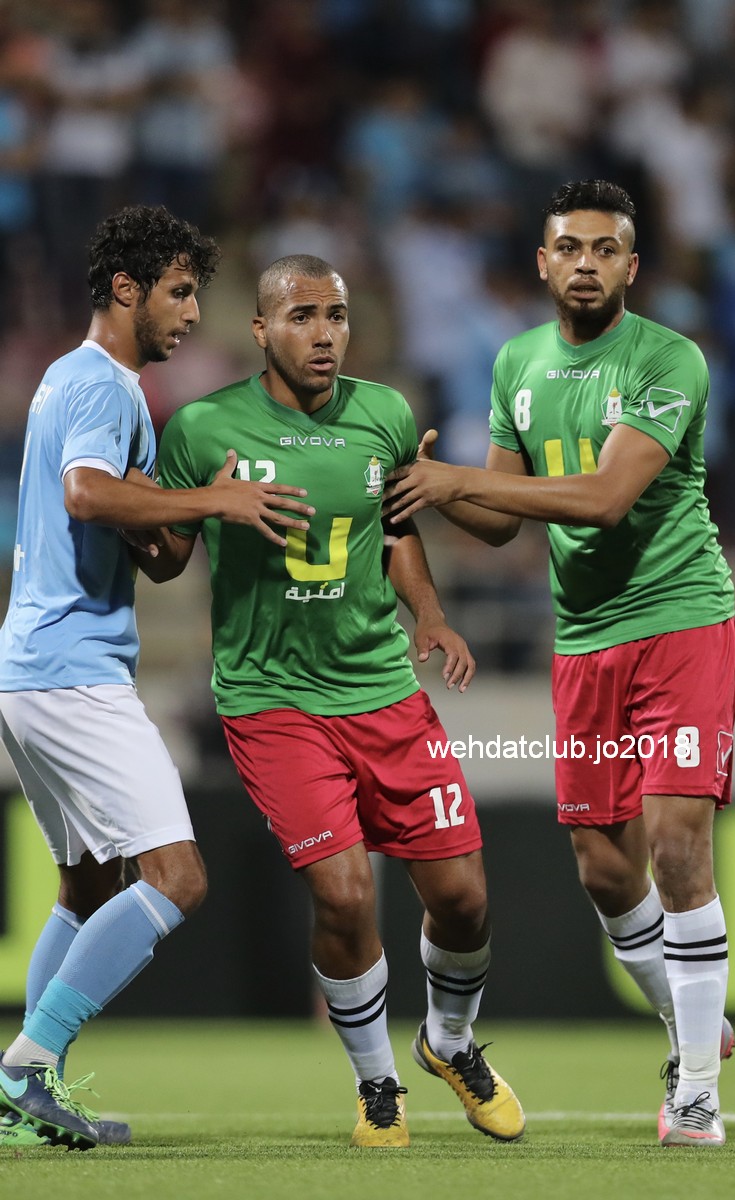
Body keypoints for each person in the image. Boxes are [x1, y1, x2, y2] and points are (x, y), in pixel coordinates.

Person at [384, 179, 735, 1148]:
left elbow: (606, 498)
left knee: (676, 847)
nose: (586, 263)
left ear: (632, 266)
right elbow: (503, 520)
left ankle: (696, 1088)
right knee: (603, 868)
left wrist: (457, 478)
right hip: (583, 639)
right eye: (569, 248)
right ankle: (691, 1018)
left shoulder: (668, 358)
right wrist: (420, 490)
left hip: (679, 622)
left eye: (604, 249)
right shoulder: (517, 363)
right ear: (542, 263)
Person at [150, 254, 524, 1149]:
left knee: (464, 899)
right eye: (303, 316)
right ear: (261, 328)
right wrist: (203, 503)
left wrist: (429, 613)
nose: (324, 334)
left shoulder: (385, 413)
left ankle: (450, 1041)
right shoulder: (203, 427)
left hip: (383, 691)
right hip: (272, 700)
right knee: (347, 892)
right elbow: (162, 560)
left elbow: (395, 529)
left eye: (338, 316)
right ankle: (377, 1083)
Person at [0, 205, 315, 1150]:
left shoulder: (76, 381)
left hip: (32, 670)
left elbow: (155, 553)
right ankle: (25, 1068)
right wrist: (215, 495)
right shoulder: (103, 384)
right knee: (177, 878)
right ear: (126, 289)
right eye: (178, 293)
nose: (192, 313)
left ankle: (26, 1086)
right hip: (72, 672)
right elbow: (86, 494)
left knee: (88, 885)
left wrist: (198, 509)